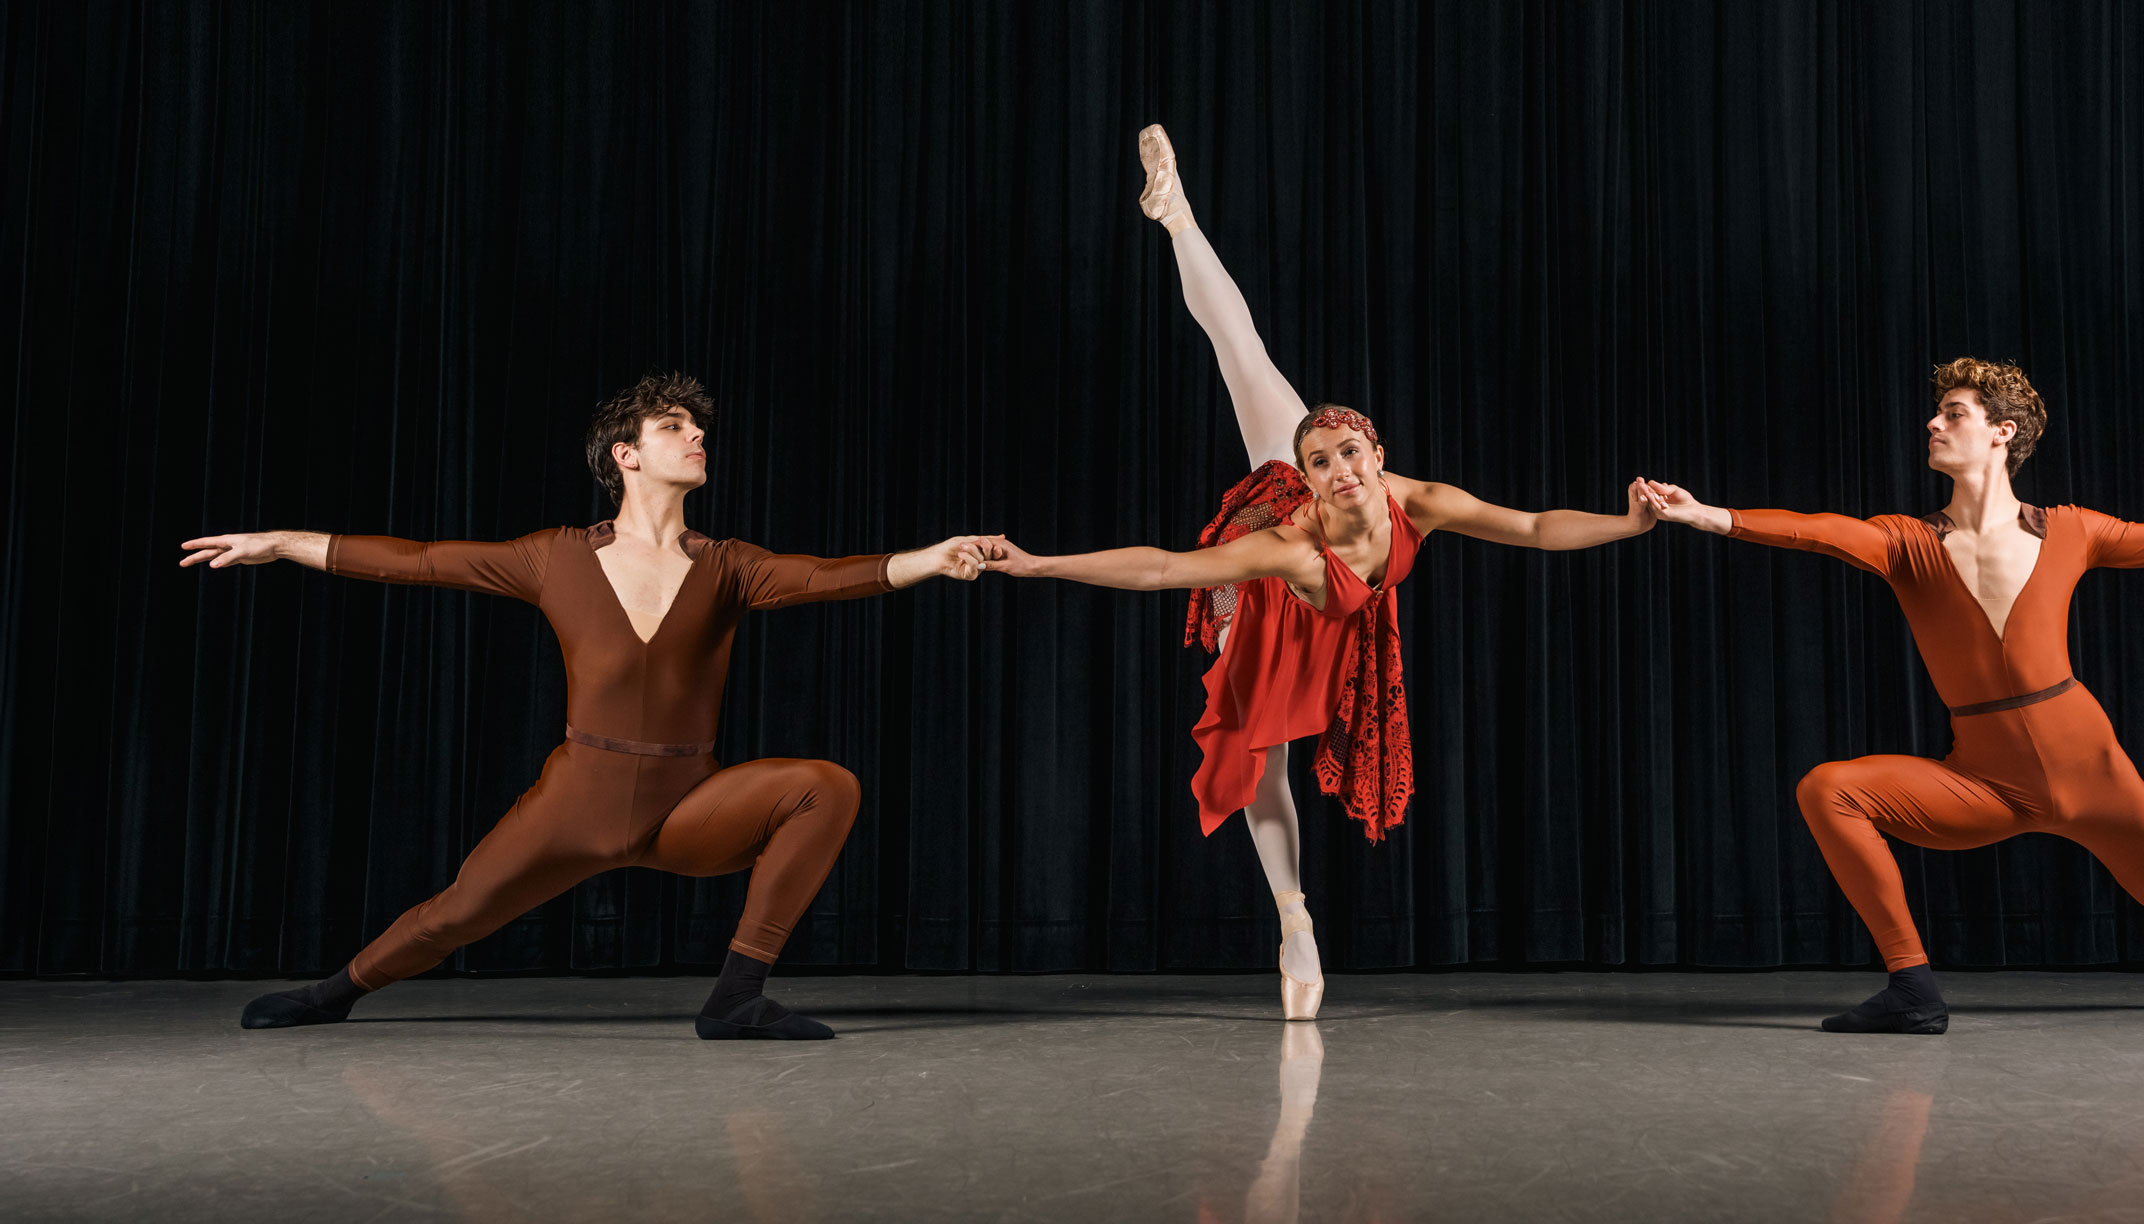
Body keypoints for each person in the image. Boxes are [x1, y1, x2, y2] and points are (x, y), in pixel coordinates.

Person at [974, 125, 1658, 1019]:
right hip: (1263, 604)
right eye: (1324, 462)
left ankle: (1176, 215)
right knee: (1262, 760)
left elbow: (1529, 525)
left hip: (1341, 609)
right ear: (1310, 477)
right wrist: (1037, 564)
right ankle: (1294, 919)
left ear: (1377, 452)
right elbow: (1163, 570)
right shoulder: (1291, 538)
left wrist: (1631, 521)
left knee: (1247, 351)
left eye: (1348, 454)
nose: (1340, 471)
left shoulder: (1418, 496)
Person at [182, 372, 990, 1041]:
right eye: (674, 427)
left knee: (827, 784)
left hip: (688, 809)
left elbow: (827, 575)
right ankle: (331, 995)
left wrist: (931, 557)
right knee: (453, 916)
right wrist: (281, 543)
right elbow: (421, 561)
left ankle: (736, 999)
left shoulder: (731, 567)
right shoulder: (555, 557)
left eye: (698, 428)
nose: (697, 436)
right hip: (574, 805)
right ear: (626, 454)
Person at [1640, 357, 2144, 1033]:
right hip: (1987, 784)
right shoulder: (1905, 542)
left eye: (1953, 413)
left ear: (2002, 433)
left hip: (2093, 772)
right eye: (1936, 412)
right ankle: (1912, 987)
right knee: (1830, 789)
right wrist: (1705, 513)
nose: (1932, 424)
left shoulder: (2074, 531)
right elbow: (1813, 528)